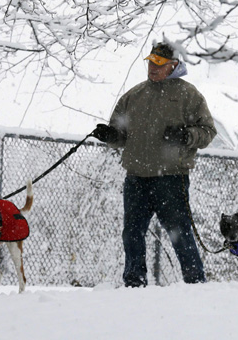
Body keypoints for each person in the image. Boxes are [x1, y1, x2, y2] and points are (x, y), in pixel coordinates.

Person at [92, 41, 217, 287]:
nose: (152, 68)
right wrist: (110, 136)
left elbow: (208, 132)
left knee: (179, 234)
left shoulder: (188, 95)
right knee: (132, 234)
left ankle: (196, 283)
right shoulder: (134, 96)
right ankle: (134, 283)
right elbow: (120, 135)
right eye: (150, 62)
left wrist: (186, 135)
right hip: (136, 177)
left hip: (171, 178)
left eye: (159, 64)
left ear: (174, 65)